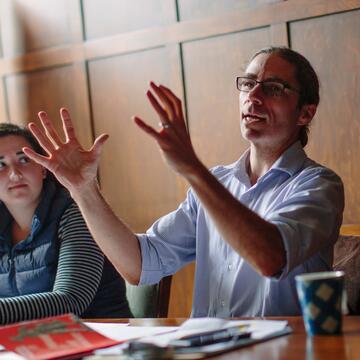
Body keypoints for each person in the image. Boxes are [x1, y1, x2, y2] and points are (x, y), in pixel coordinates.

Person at [24, 46, 344, 317]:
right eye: (248, 84)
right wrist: (83, 189)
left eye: (273, 88)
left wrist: (192, 168)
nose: (254, 96)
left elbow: (270, 258)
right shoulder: (215, 182)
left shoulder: (319, 186)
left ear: (305, 113)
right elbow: (138, 264)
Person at [0, 123, 132, 325]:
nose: (15, 174)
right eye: (1, 165)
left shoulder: (78, 213)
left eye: (24, 159)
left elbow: (70, 301)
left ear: (43, 169)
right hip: (34, 345)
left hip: (102, 342)